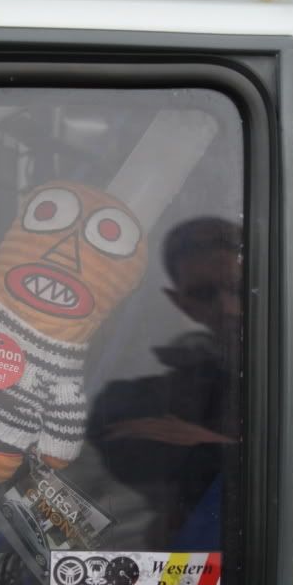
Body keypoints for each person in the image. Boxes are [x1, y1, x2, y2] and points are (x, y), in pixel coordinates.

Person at [87, 217, 242, 549]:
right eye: (204, 294)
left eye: (238, 287)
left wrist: (210, 446)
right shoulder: (188, 384)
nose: (227, 308)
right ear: (181, 303)